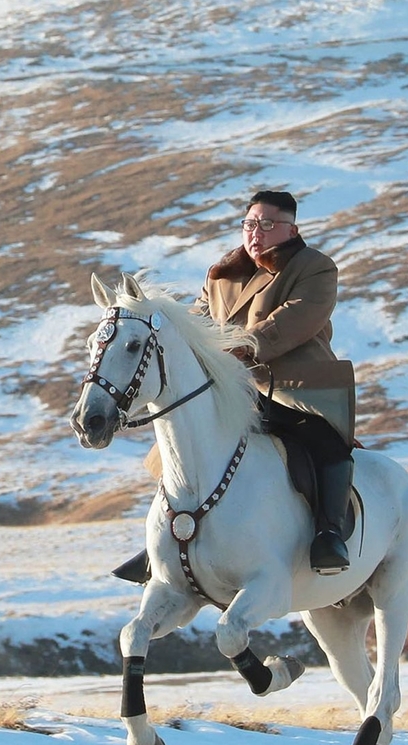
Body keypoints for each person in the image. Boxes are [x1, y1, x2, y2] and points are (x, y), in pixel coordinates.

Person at [112, 189, 357, 584]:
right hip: (232, 388)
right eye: (248, 224)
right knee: (179, 448)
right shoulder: (221, 274)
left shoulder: (315, 268)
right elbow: (197, 323)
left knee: (325, 445)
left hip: (293, 387)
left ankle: (329, 534)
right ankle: (167, 540)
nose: (254, 232)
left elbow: (294, 320)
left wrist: (240, 346)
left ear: (290, 229)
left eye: (266, 224)